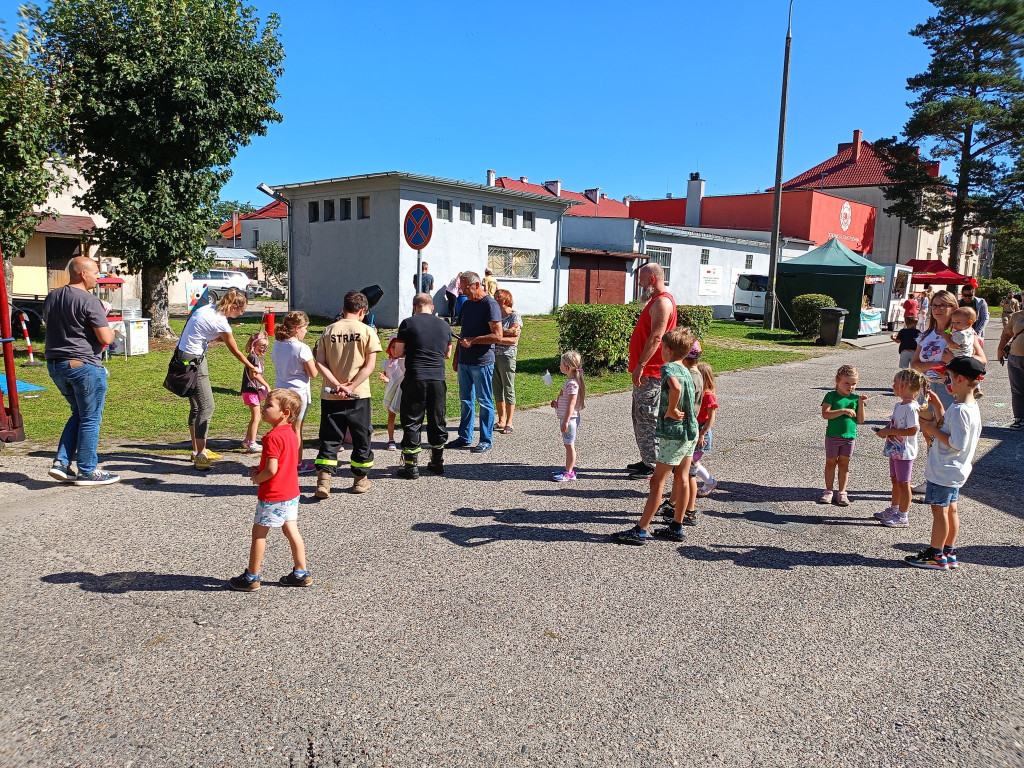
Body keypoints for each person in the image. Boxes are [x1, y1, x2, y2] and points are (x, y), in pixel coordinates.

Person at [612, 328, 698, 545]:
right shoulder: (686, 368)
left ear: (667, 350)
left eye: (661, 348)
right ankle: (677, 527)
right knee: (682, 478)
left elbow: (675, 389)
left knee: (657, 482)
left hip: (673, 433)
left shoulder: (668, 367)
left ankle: (641, 529)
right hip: (690, 430)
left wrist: (670, 410)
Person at [43, 256, 119, 486]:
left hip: (56, 364)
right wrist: (113, 328)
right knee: (90, 418)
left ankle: (61, 464)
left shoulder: (53, 296)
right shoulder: (89, 300)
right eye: (96, 273)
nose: (99, 277)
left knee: (78, 413)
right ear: (82, 274)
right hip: (84, 365)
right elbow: (105, 338)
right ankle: (87, 470)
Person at [904, 356, 985, 570]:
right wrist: (938, 407)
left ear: (959, 379)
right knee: (951, 510)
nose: (945, 381)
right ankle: (949, 551)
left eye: (947, 377)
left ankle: (935, 554)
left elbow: (955, 442)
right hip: (955, 469)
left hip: (944, 470)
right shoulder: (967, 407)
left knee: (939, 511)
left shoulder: (959, 411)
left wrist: (931, 431)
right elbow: (950, 428)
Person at [228, 388, 311, 591]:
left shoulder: (272, 437)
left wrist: (258, 478)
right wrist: (261, 468)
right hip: (291, 492)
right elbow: (285, 463)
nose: (264, 408)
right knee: (291, 530)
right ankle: (301, 573)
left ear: (285, 413)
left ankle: (251, 577)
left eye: (269, 406)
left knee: (259, 534)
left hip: (273, 494)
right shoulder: (292, 434)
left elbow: (272, 470)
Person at [175, 288, 266, 471]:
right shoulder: (221, 322)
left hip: (182, 356)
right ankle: (201, 454)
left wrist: (226, 337)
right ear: (233, 306)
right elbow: (237, 353)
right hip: (193, 360)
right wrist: (251, 366)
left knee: (196, 406)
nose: (240, 315)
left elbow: (206, 333)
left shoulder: (206, 309)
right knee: (207, 406)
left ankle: (196, 450)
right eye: (240, 311)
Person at [911, 289, 987, 491]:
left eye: (944, 305)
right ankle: (931, 478)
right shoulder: (926, 334)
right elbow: (914, 364)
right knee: (929, 433)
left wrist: (952, 362)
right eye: (935, 305)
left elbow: (981, 361)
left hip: (951, 389)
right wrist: (936, 363)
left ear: (955, 308)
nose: (938, 309)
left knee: (948, 435)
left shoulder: (965, 334)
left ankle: (946, 480)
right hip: (926, 387)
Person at [313, 291, 382, 497]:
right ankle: (360, 480)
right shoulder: (368, 331)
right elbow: (369, 367)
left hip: (331, 395)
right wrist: (350, 387)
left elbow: (319, 362)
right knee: (361, 436)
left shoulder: (328, 330)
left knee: (330, 437)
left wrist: (337, 384)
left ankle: (323, 481)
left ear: (343, 309)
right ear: (363, 311)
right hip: (358, 395)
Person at [626, 263, 677, 480]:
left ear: (652, 280)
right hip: (647, 372)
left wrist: (641, 365)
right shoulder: (655, 301)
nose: (639, 283)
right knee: (639, 415)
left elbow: (657, 337)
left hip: (652, 372)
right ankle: (647, 458)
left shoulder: (662, 302)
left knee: (647, 417)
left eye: (642, 279)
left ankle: (652, 464)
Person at [395, 292, 454, 479]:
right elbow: (447, 354)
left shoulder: (408, 323)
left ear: (414, 307)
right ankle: (437, 462)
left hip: (415, 377)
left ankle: (411, 467)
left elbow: (398, 351)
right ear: (432, 307)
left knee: (412, 419)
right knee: (437, 419)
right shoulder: (445, 325)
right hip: (437, 378)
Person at [447, 271, 502, 453]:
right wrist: (456, 358)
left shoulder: (490, 305)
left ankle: (486, 439)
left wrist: (473, 341)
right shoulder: (468, 304)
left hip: (482, 362)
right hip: (465, 361)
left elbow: (497, 335)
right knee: (465, 401)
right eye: (462, 289)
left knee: (484, 401)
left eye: (466, 289)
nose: (463, 293)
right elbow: (463, 333)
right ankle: (464, 436)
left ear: (477, 285)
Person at [872, 370, 927, 528]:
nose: (892, 386)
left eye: (895, 383)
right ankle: (894, 509)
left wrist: (889, 431)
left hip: (905, 452)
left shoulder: (911, 407)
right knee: (895, 481)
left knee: (904, 483)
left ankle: (903, 515)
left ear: (903, 386)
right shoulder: (899, 405)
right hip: (895, 449)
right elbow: (894, 423)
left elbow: (913, 430)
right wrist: (884, 429)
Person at [272, 310, 319, 474]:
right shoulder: (302, 348)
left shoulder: (277, 344)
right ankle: (297, 463)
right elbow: (313, 373)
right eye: (305, 328)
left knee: (282, 428)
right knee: (296, 429)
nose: (306, 332)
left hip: (280, 390)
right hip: (298, 393)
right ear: (298, 328)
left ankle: (282, 459)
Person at [818, 364, 867, 506]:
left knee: (844, 464)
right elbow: (825, 414)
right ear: (837, 381)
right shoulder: (831, 396)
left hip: (849, 437)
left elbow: (861, 420)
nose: (850, 387)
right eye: (846, 383)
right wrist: (843, 410)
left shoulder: (855, 398)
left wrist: (861, 404)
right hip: (833, 436)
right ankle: (828, 491)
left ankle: (842, 492)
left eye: (854, 384)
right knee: (831, 463)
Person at [550, 350, 585, 482]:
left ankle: (569, 472)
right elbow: (566, 402)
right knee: (568, 445)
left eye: (561, 364)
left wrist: (565, 421)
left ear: (567, 367)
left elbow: (571, 405)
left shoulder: (572, 384)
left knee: (569, 445)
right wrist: (556, 404)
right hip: (568, 418)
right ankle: (568, 468)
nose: (559, 366)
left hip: (569, 420)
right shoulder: (571, 381)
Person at [492, 289, 522, 434]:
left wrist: (496, 337)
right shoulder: (496, 317)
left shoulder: (514, 316)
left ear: (506, 299)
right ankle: (501, 419)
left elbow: (513, 340)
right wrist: (506, 332)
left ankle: (510, 422)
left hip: (507, 357)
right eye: (495, 297)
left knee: (508, 388)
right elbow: (490, 333)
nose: (496, 299)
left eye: (499, 297)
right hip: (493, 356)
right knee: (497, 389)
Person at [693, 360, 719, 499]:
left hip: (702, 431)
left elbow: (711, 418)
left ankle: (710, 482)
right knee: (689, 461)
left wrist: (702, 434)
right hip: (695, 429)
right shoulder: (697, 393)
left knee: (693, 461)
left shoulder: (708, 396)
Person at [240, 331, 270, 453]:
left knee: (255, 417)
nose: (264, 349)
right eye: (262, 346)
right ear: (254, 345)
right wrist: (266, 385)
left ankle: (247, 440)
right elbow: (253, 375)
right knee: (256, 417)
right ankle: (252, 443)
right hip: (250, 390)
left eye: (266, 346)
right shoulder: (253, 357)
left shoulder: (256, 357)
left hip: (252, 390)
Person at [997, 305, 1024, 429]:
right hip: (1015, 357)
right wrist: (1000, 349)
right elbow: (1007, 334)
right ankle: (1019, 418)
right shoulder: (1017, 316)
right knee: (1017, 389)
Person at [379, 336, 405, 451]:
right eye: (393, 347)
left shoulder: (404, 362)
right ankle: (391, 439)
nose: (395, 350)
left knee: (405, 417)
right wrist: (384, 378)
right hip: (391, 394)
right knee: (391, 416)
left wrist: (388, 380)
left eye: (398, 347)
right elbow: (387, 376)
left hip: (403, 393)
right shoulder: (387, 363)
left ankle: (407, 438)